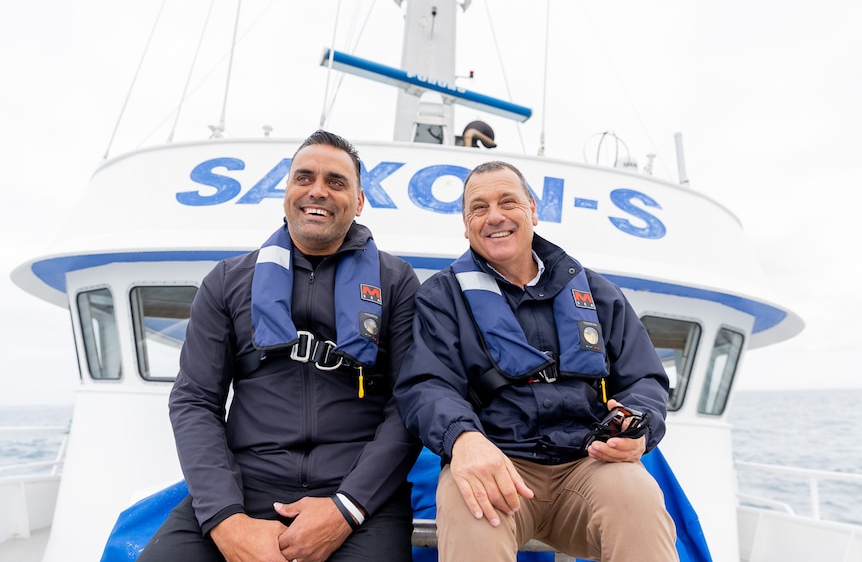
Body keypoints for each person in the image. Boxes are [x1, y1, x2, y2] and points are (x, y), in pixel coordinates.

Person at [139, 130, 421, 562]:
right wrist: (226, 519)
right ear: (287, 191)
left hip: (356, 495)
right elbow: (195, 401)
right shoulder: (227, 281)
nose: (318, 191)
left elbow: (408, 404)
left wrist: (346, 508)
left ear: (359, 202)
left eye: (337, 182)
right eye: (304, 177)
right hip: (246, 485)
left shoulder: (397, 283)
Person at [393, 161, 679, 562]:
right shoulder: (441, 297)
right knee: (469, 500)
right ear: (465, 224)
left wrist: (639, 425)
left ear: (532, 210)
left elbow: (644, 377)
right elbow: (427, 384)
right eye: (478, 208)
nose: (494, 216)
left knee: (638, 497)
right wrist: (463, 438)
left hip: (587, 465)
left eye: (507, 201)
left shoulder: (598, 293)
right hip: (494, 459)